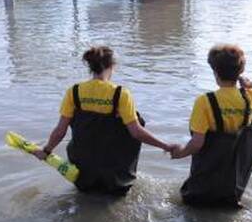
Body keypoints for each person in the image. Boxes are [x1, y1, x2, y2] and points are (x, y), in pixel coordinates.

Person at [35, 46, 177, 195]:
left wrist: (46, 151)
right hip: (115, 171)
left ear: (90, 67)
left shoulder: (74, 92)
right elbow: (136, 133)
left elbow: (60, 131)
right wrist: (165, 146)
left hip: (83, 167)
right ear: (112, 66)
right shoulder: (121, 94)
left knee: (85, 197)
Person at [171, 44, 252, 206]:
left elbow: (197, 143)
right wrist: (247, 82)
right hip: (232, 188)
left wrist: (180, 153)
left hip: (203, 185)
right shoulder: (249, 97)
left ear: (215, 72)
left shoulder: (204, 101)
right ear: (240, 71)